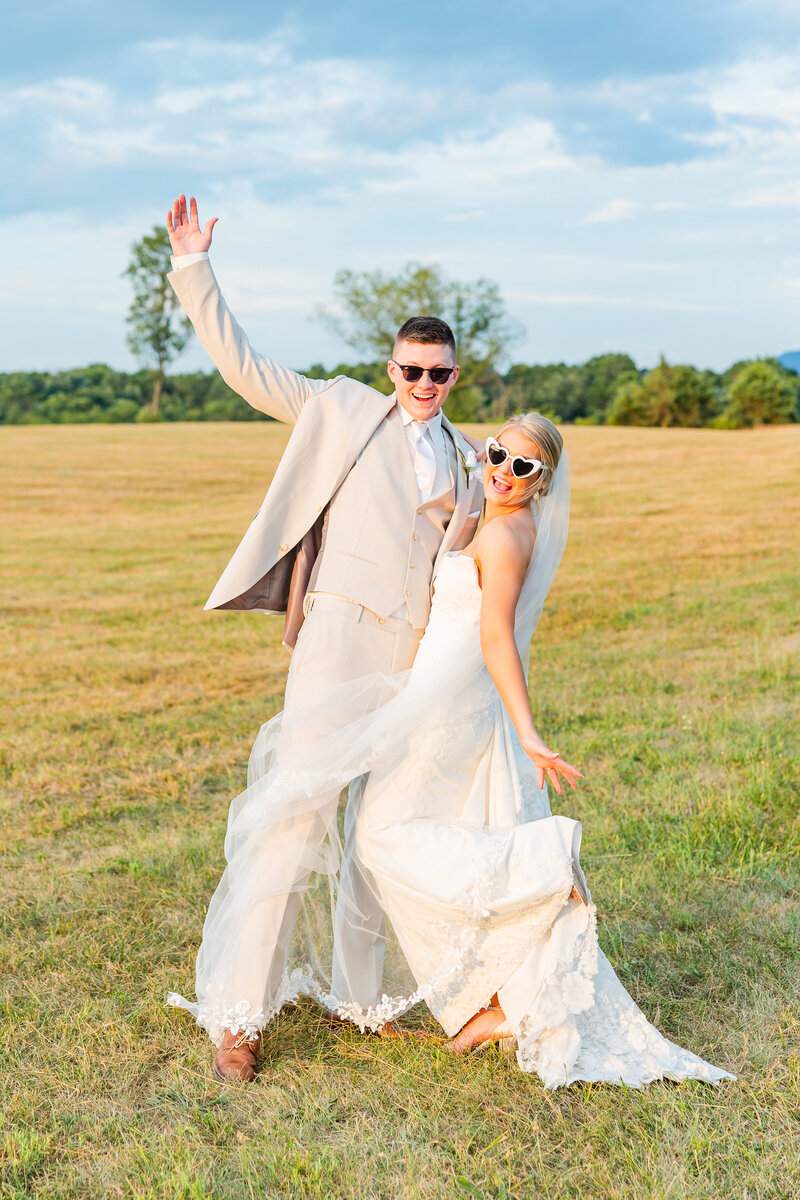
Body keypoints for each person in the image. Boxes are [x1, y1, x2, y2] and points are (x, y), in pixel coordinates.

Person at [170, 408, 735, 1089]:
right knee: (393, 836)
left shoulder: (505, 539)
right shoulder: (497, 508)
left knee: (381, 837)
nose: (503, 471)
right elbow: (476, 463)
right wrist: (460, 442)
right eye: (498, 455)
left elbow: (496, 634)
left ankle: (545, 866)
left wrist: (528, 732)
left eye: (523, 467)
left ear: (544, 481)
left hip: (447, 707)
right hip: (438, 697)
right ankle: (505, 999)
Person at [165, 195, 494, 1080]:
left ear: (456, 377)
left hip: (413, 664)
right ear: (388, 367)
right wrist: (195, 268)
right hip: (339, 641)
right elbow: (246, 366)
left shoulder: (470, 460)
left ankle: (361, 998)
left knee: (381, 834)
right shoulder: (341, 409)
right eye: (410, 369)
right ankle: (239, 1016)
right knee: (292, 818)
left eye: (438, 373)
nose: (423, 384)